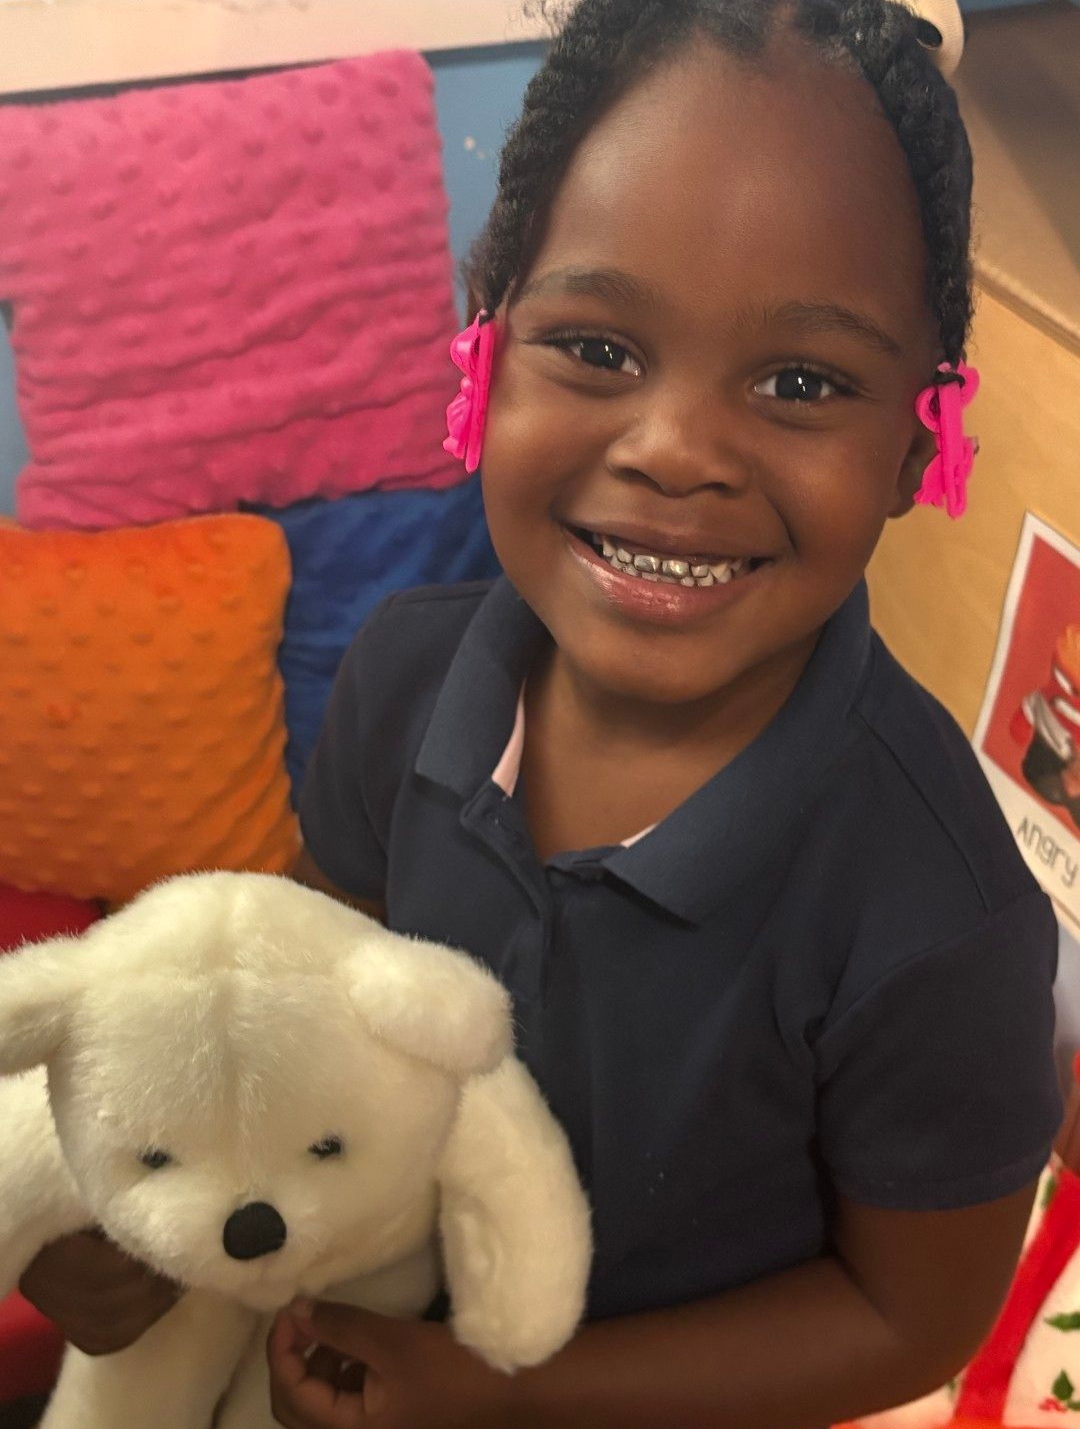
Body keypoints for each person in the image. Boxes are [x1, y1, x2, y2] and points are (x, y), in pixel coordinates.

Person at [20, 1, 1063, 1426]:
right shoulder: (402, 677)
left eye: (801, 381)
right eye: (598, 349)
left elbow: (906, 1322)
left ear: (920, 442)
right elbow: (304, 998)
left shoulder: (941, 922)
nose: (678, 449)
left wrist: (511, 1399)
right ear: (484, 358)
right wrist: (143, 1234)